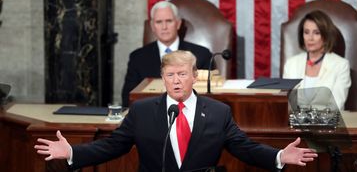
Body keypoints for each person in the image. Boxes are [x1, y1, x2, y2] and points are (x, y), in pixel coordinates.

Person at [35, 50, 317, 172]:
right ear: (162, 77)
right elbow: (112, 146)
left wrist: (279, 155)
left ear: (195, 75)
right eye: (170, 75)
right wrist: (73, 152)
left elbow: (244, 148)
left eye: (182, 74)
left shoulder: (218, 112)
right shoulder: (143, 111)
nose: (176, 81)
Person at [121, 1, 212, 107]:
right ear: (152, 26)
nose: (164, 27)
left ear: (178, 23)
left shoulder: (201, 55)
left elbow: (208, 98)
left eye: (169, 21)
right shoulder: (137, 58)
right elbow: (128, 98)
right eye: (159, 22)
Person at [283, 10, 351, 110]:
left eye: (316, 33)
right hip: (295, 123)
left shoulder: (341, 65)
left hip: (326, 123)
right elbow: (286, 103)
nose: (310, 38)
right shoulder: (291, 64)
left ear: (325, 36)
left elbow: (336, 105)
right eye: (306, 32)